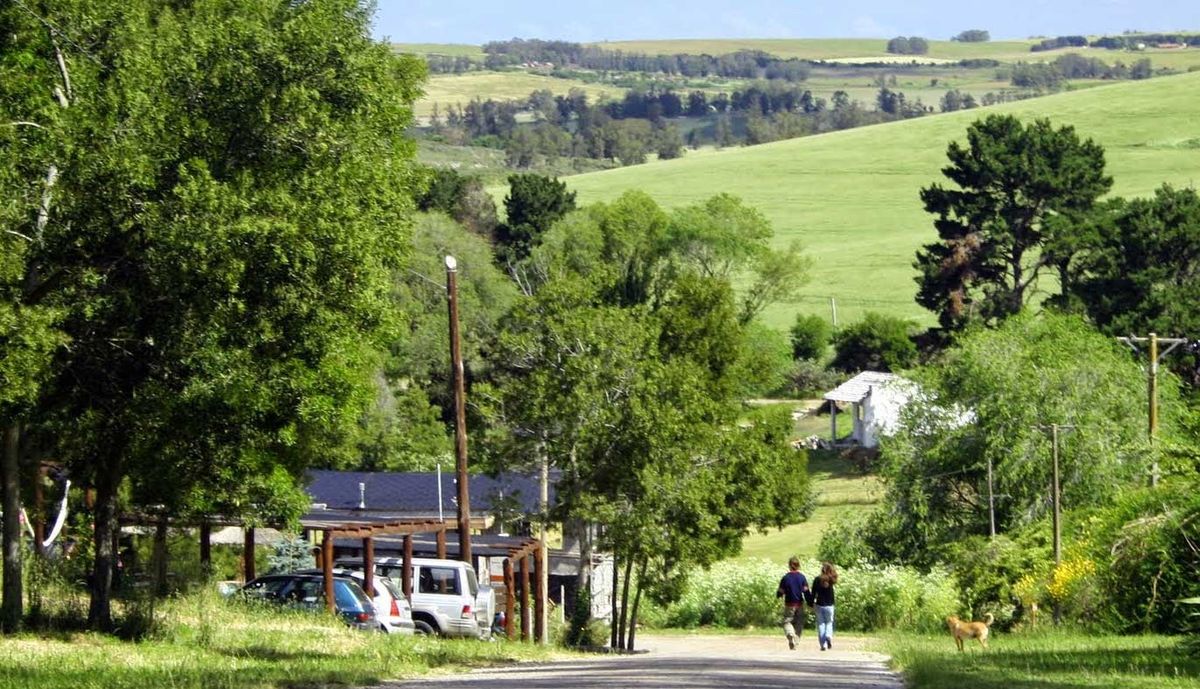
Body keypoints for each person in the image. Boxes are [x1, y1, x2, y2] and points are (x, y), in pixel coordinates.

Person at [776, 556, 810, 650]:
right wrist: (810, 602)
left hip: (789, 604)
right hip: (799, 603)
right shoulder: (802, 577)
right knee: (799, 622)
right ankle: (796, 639)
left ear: (789, 566)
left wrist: (778, 595)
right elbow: (806, 591)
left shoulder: (785, 578)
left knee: (787, 621)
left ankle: (790, 634)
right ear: (798, 565)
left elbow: (780, 591)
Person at [813, 561, 838, 651]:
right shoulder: (832, 579)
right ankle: (828, 635)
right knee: (829, 622)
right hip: (830, 605)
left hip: (819, 604)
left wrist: (811, 602)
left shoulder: (817, 579)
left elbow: (813, 592)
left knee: (821, 624)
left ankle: (823, 645)